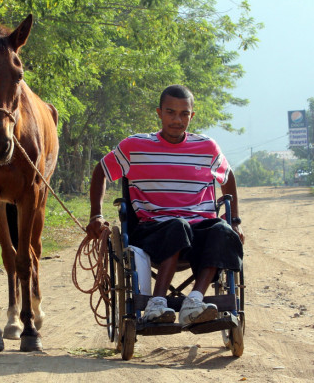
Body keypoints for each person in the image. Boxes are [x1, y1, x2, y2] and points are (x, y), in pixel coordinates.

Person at [86, 84, 244, 325]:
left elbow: (228, 176)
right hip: (153, 230)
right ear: (159, 113)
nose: (177, 120)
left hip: (198, 231)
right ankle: (156, 303)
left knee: (223, 231)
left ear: (192, 115)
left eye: (184, 114)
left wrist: (235, 221)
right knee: (177, 226)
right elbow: (101, 171)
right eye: (171, 112)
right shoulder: (134, 146)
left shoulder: (207, 148)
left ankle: (195, 300)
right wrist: (95, 214)